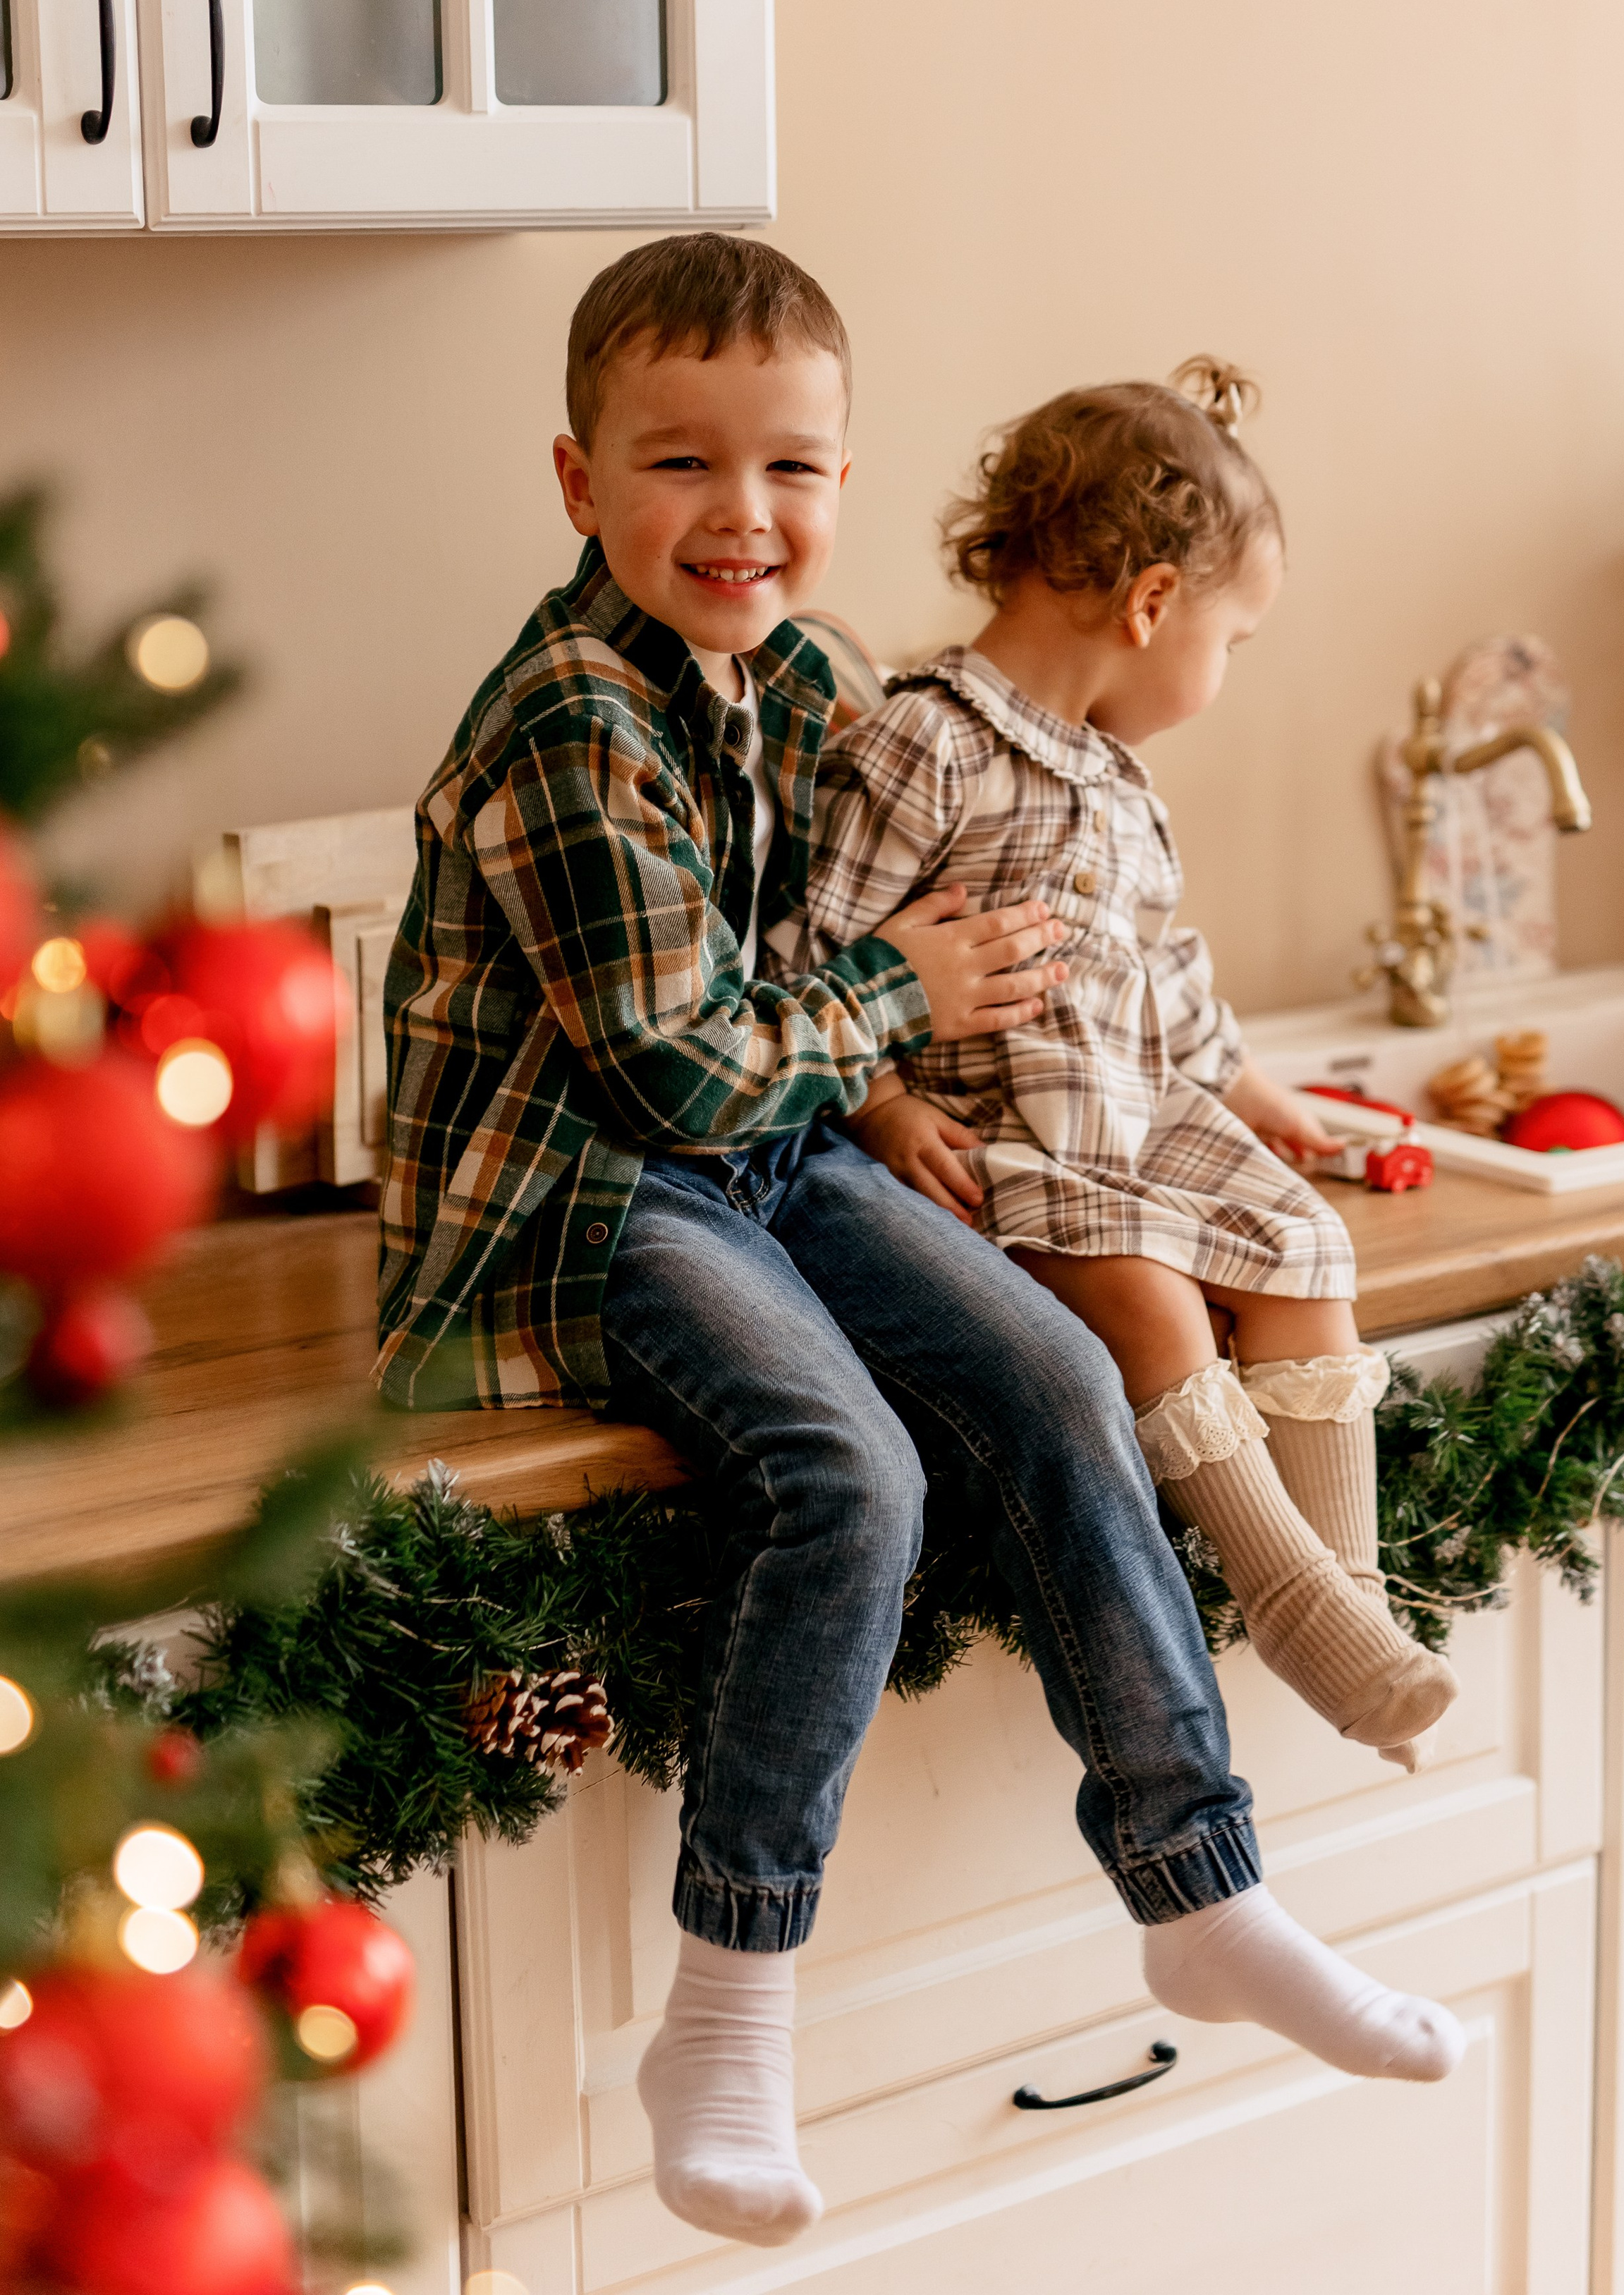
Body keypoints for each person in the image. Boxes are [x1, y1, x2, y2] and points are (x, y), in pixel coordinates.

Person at [378, 245, 1463, 2255]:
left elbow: (818, 1001)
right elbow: (688, 1070)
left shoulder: (804, 679)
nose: (743, 512)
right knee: (851, 1468)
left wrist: (882, 1069)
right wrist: (896, 1002)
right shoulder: (566, 728)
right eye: (680, 462)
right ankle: (729, 2003)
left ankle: (1203, 1891)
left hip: (771, 1150)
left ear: (848, 475)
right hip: (578, 1198)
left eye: (790, 466)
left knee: (1062, 1374)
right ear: (576, 479)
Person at [779, 359, 1459, 1771]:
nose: (1222, 671)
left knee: (1305, 1250)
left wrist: (1265, 1097)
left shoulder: (1110, 778)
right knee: (1150, 1307)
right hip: (999, 1134)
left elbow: (1162, 972)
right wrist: (886, 1098)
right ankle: (1287, 1600)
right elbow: (805, 950)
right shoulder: (926, 744)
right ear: (1150, 603)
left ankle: (1349, 1598)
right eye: (1234, 637)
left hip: (1137, 1120)